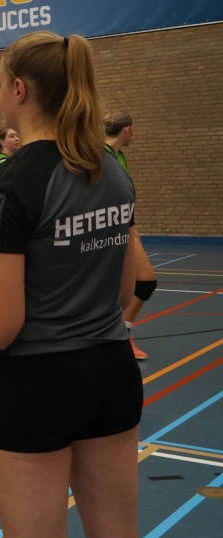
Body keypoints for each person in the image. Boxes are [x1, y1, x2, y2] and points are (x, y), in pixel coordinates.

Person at [0, 32, 147, 538]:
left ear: (19, 90)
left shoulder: (8, 183)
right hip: (111, 374)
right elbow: (126, 290)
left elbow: (1, 326)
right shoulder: (112, 170)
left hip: (34, 384)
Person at [105, 111, 152, 360]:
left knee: (145, 282)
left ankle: (122, 332)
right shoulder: (100, 156)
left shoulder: (119, 157)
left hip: (125, 228)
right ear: (127, 129)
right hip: (107, 231)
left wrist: (132, 227)